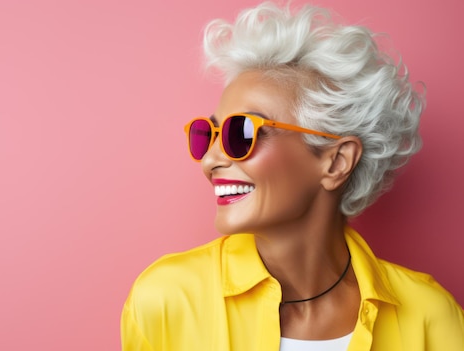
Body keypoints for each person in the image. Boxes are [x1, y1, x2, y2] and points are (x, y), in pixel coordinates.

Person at [121, 2, 464, 351]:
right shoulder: (165, 301)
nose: (209, 160)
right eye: (206, 133)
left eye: (240, 133)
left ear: (336, 161)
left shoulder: (429, 317)